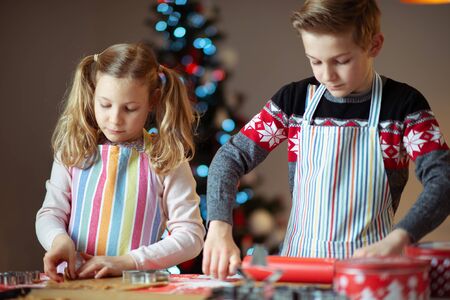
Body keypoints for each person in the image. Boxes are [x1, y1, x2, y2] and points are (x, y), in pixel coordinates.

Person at [202, 0, 450, 279]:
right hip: (296, 270)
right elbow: (230, 158)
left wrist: (400, 238)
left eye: (341, 61)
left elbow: (443, 180)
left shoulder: (404, 107)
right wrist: (219, 225)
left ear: (374, 45)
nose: (327, 75)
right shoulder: (293, 102)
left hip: (368, 276)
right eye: (315, 61)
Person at [36, 43, 205, 281]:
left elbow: (191, 236)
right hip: (72, 284)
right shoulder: (74, 149)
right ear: (92, 92)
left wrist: (128, 262)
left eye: (130, 108)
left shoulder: (167, 157)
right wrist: (58, 240)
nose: (115, 119)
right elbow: (50, 213)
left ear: (152, 101)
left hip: (137, 289)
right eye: (105, 104)